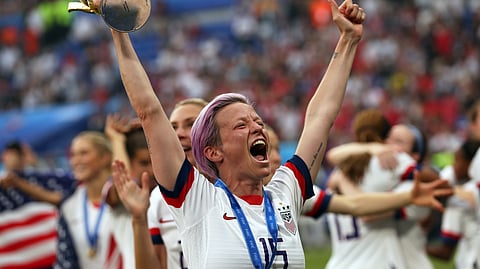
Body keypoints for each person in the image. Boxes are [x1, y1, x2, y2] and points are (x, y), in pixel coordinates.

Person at [108, 0, 452, 267]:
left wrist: (347, 41)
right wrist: (119, 26)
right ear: (213, 152)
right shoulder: (196, 200)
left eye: (256, 120)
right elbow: (150, 112)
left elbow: (320, 117)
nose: (257, 126)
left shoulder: (284, 193)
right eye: (241, 124)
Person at [1, 131, 125, 268]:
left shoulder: (118, 196)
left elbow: (125, 182)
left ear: (105, 157)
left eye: (84, 153)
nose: (76, 160)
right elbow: (51, 197)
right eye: (72, 155)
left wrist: (116, 139)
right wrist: (19, 183)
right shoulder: (70, 204)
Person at [426, 139, 480, 268]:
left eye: (457, 160)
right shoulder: (455, 179)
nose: (454, 165)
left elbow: (445, 252)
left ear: (472, 164)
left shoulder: (466, 194)